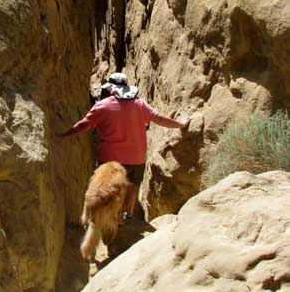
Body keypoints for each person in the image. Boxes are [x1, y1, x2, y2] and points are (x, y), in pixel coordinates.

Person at [57, 72, 191, 219]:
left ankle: (108, 216)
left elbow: (83, 125)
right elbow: (159, 119)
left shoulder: (102, 106)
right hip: (136, 157)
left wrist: (66, 134)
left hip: (110, 159)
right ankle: (128, 214)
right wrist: (180, 124)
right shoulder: (140, 104)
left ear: (111, 88)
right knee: (131, 185)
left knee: (107, 187)